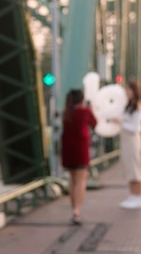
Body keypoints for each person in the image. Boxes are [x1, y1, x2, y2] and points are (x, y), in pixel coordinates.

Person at [60, 89, 98, 225]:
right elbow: (95, 123)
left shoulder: (66, 113)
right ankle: (77, 211)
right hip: (81, 149)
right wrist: (91, 109)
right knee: (81, 180)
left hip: (68, 149)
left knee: (73, 180)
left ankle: (73, 209)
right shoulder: (85, 112)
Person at [113, 80, 141, 209]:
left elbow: (135, 127)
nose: (127, 92)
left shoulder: (138, 106)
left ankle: (137, 196)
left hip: (132, 140)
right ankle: (132, 195)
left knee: (135, 168)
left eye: (129, 89)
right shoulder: (129, 106)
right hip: (126, 140)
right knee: (129, 168)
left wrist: (120, 123)